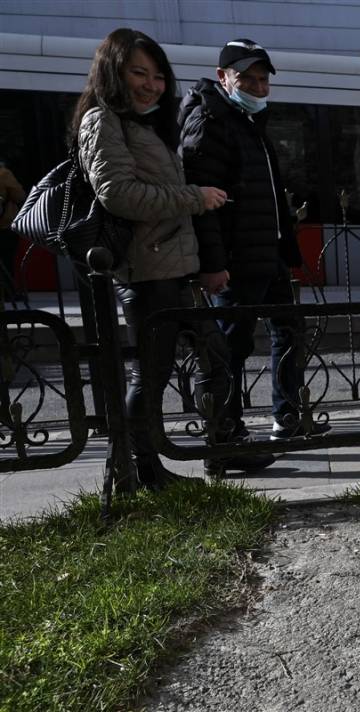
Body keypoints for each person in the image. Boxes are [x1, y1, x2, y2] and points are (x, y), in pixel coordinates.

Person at [74, 28, 260, 490]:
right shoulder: (103, 120)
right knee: (150, 376)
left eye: (158, 76)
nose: (151, 84)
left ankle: (219, 449)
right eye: (139, 72)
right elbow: (117, 194)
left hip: (177, 268)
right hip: (146, 270)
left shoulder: (144, 124)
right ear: (112, 72)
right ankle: (141, 472)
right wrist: (192, 198)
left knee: (214, 359)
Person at [179, 39, 324, 444]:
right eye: (249, 79)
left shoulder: (247, 122)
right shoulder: (210, 120)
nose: (259, 88)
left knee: (289, 332)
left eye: (264, 80)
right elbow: (201, 199)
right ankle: (226, 433)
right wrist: (212, 263)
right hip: (236, 259)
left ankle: (288, 418)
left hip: (267, 253)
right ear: (224, 76)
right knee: (231, 346)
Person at [0, 159, 26, 300]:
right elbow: (20, 195)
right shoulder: (3, 173)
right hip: (4, 224)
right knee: (6, 259)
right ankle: (9, 293)